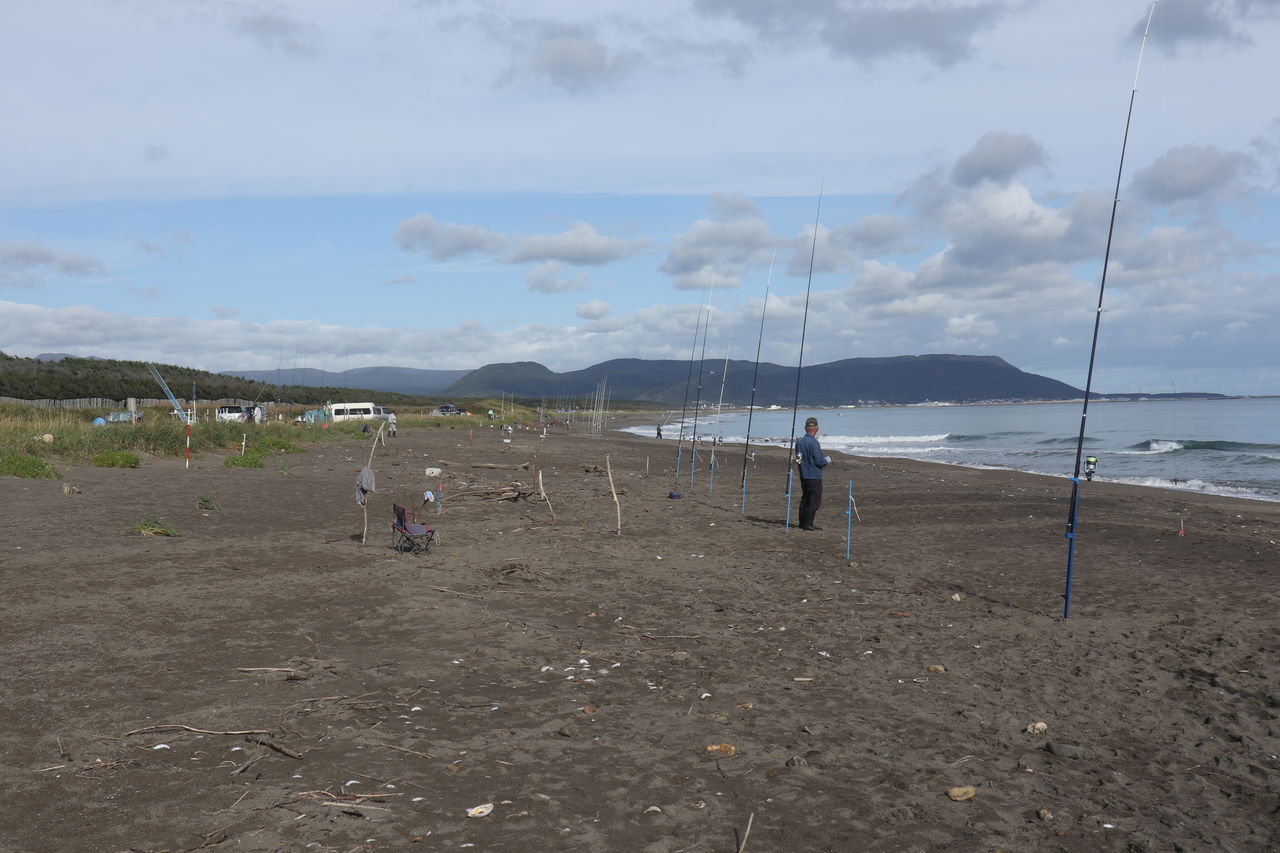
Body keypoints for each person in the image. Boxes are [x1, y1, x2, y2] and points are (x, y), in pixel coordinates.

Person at [794, 416, 831, 531]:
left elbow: (799, 458)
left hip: (803, 475)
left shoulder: (799, 442)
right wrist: (828, 460)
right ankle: (808, 524)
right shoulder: (814, 443)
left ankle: (802, 523)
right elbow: (819, 461)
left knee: (805, 499)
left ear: (805, 428)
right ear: (817, 429)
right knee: (814, 501)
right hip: (814, 476)